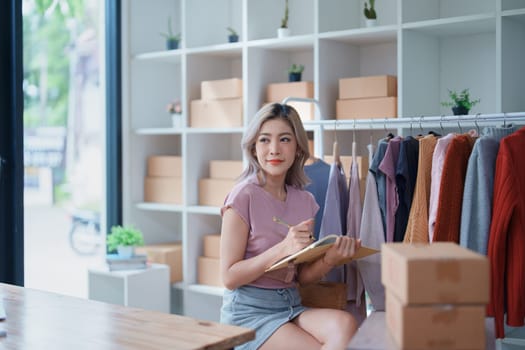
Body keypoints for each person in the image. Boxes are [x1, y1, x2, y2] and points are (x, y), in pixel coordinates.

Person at [220, 103, 361, 350]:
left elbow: (303, 277)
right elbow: (229, 277)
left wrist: (331, 258)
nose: (274, 149)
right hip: (249, 313)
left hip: (291, 305)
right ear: (254, 147)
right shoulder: (242, 196)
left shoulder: (305, 202)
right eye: (264, 140)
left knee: (346, 324)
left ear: (297, 147)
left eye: (284, 139)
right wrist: (282, 248)